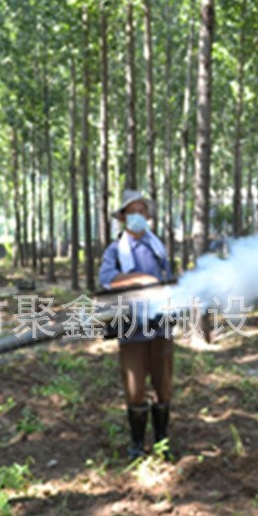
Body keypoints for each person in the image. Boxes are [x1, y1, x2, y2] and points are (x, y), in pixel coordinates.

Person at [98, 190, 175, 460]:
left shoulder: (158, 247)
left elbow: (169, 279)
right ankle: (136, 445)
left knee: (163, 385)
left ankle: (163, 442)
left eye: (142, 211)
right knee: (135, 387)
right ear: (123, 218)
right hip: (130, 325)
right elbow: (107, 279)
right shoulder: (115, 250)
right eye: (132, 212)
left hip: (161, 324)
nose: (138, 216)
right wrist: (139, 280)